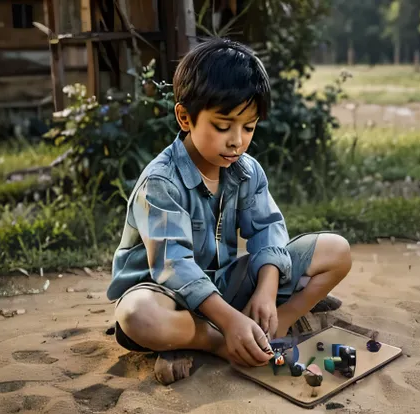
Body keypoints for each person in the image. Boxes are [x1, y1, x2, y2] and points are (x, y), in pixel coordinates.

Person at [105, 38, 352, 385]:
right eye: (223, 126)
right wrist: (231, 323)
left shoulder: (246, 170)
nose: (236, 140)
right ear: (185, 117)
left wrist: (267, 290)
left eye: (248, 127)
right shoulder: (161, 182)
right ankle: (218, 342)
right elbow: (173, 266)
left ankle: (275, 324)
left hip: (223, 288)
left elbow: (268, 231)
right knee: (136, 316)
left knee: (336, 250)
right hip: (166, 297)